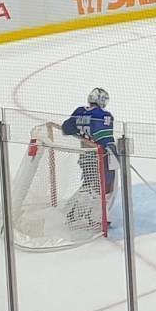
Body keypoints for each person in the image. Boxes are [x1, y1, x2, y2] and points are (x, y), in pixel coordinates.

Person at [58, 87, 115, 235]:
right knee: (105, 188)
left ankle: (73, 213)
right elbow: (104, 139)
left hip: (85, 157)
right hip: (101, 157)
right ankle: (97, 219)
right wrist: (117, 156)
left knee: (89, 185)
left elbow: (66, 128)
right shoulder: (103, 115)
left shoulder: (79, 111)